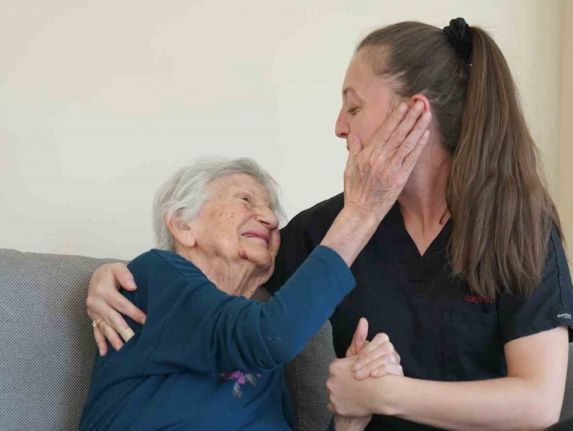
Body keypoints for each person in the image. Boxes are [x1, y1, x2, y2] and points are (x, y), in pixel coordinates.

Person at [86, 18, 573, 431]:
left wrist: (383, 395)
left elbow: (539, 401)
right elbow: (236, 297)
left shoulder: (516, 223)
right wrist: (108, 278)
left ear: (414, 113)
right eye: (246, 201)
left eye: (354, 108)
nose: (339, 127)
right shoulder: (327, 230)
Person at [79, 99, 431, 430]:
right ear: (184, 225)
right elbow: (271, 336)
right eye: (245, 200)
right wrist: (362, 212)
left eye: (271, 210)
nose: (270, 219)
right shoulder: (156, 274)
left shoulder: (257, 333)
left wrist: (349, 418)